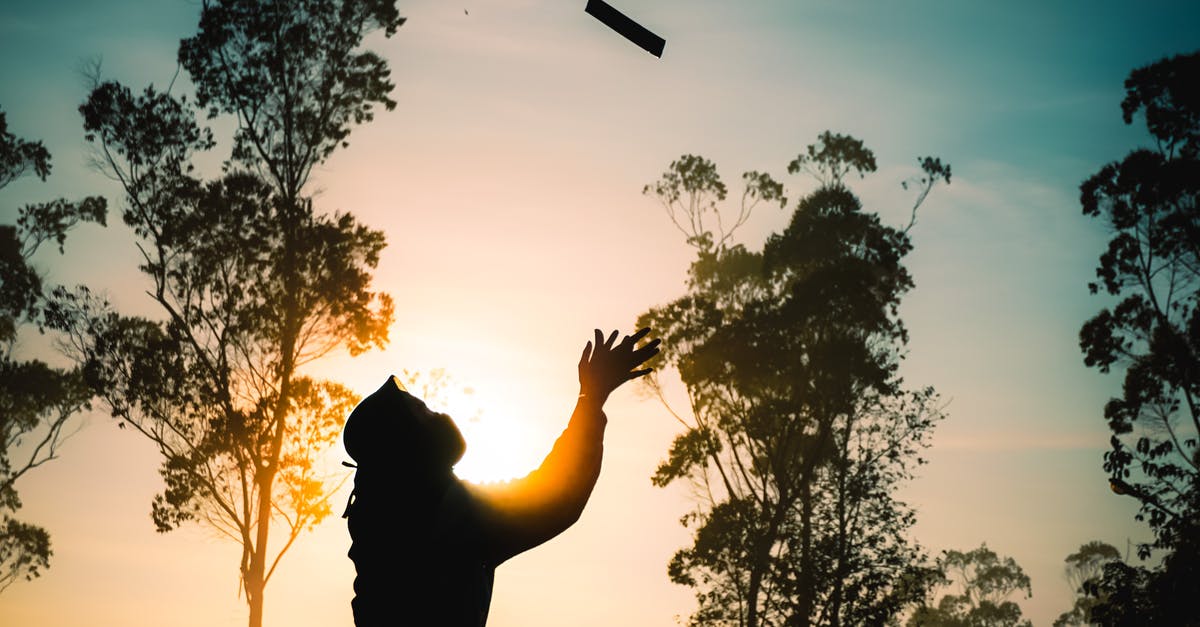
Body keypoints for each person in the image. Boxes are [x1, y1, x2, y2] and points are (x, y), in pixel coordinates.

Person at [342, 328, 660, 626]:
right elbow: (554, 495)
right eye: (424, 412)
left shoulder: (388, 517)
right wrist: (591, 399)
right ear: (407, 444)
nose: (439, 414)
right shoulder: (442, 512)